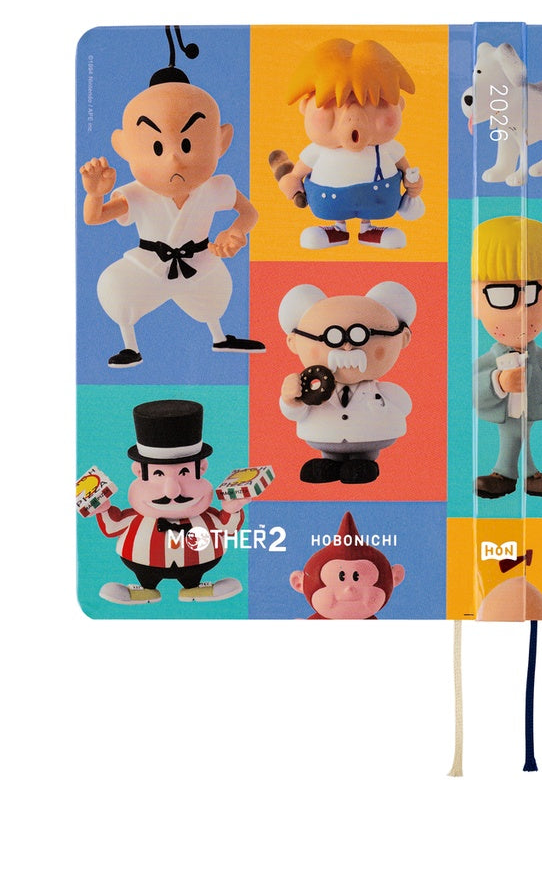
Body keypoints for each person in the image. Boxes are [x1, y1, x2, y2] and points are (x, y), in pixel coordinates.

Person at [79, 36, 263, 367]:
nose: (174, 159)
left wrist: (235, 231)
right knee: (115, 287)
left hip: (200, 263)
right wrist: (95, 194)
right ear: (124, 148)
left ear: (221, 141)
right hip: (148, 266)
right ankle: (130, 346)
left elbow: (249, 212)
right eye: (158, 148)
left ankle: (220, 338)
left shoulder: (214, 187)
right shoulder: (137, 193)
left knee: (216, 293)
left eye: (188, 144)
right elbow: (94, 218)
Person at [92, 399, 250, 604]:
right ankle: (145, 589)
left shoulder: (206, 516)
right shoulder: (136, 518)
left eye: (184, 473)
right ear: (139, 471)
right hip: (141, 562)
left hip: (200, 562)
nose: (172, 491)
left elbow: (227, 528)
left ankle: (194, 587)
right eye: (158, 474)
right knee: (146, 577)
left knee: (193, 577)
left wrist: (231, 509)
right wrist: (102, 508)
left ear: (202, 468)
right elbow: (112, 526)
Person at [272, 37, 424, 249]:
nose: (354, 118)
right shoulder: (319, 150)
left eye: (374, 102)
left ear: (400, 104)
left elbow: (408, 172)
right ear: (305, 107)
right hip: (331, 201)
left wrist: (413, 183)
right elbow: (296, 174)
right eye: (334, 103)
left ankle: (368, 230)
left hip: (378, 201)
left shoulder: (388, 148)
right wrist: (292, 179)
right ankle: (337, 229)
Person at [473, 216, 542, 499]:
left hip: (530, 410)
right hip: (505, 410)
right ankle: (510, 474)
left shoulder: (540, 358)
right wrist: (498, 383)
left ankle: (517, 475)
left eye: (530, 292)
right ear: (475, 299)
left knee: (523, 436)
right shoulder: (490, 359)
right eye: (501, 294)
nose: (520, 310)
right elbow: (470, 386)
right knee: (513, 436)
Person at [279, 281, 415, 484]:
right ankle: (329, 462)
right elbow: (296, 412)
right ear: (294, 342)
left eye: (359, 335)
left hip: (371, 439)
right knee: (324, 468)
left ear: (403, 338)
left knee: (359, 468)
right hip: (324, 437)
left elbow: (405, 406)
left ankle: (365, 461)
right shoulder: (310, 389)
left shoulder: (386, 392)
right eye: (332, 337)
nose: (347, 346)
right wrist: (291, 400)